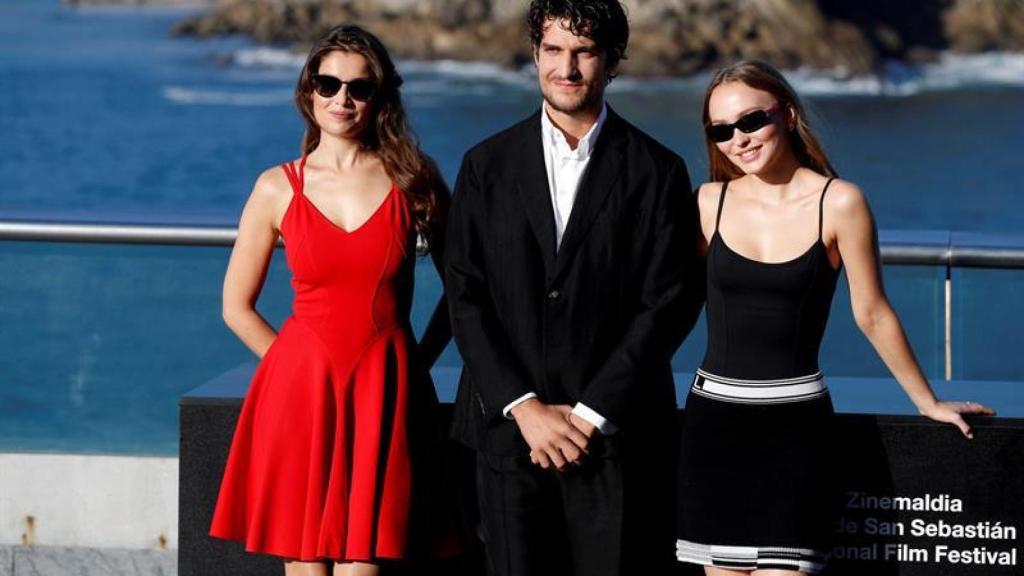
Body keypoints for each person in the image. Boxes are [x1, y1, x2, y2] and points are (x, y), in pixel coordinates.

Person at [675, 59, 996, 576]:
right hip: (715, 429)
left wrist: (927, 401)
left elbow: (871, 311)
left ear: (787, 114)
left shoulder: (839, 202)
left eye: (752, 121)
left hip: (795, 429)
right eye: (722, 130)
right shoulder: (707, 202)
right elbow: (664, 302)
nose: (739, 139)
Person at [445, 1, 704, 574]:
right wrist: (525, 407)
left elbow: (670, 301)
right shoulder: (484, 165)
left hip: (615, 439)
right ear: (535, 54)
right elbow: (465, 294)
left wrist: (589, 414)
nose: (568, 67)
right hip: (509, 436)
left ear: (611, 61)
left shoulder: (658, 171)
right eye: (555, 50)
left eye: (585, 52)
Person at [208, 24, 452, 576]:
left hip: (385, 395)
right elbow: (235, 306)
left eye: (359, 88)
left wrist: (415, 363)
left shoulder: (414, 179)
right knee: (305, 564)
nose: (342, 98)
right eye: (328, 84)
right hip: (298, 399)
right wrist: (294, 369)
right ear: (308, 91)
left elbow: (463, 291)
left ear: (380, 98)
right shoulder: (277, 186)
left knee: (364, 563)